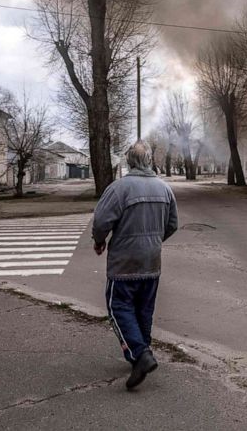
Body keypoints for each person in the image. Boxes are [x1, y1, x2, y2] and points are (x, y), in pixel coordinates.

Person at [92, 140, 179, 390]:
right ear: (150, 160)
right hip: (152, 262)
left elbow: (101, 221)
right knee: (143, 309)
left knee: (118, 308)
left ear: (129, 161)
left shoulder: (119, 188)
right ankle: (141, 353)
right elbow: (172, 224)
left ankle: (140, 355)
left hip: (124, 263)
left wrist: (100, 242)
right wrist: (153, 241)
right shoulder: (164, 189)